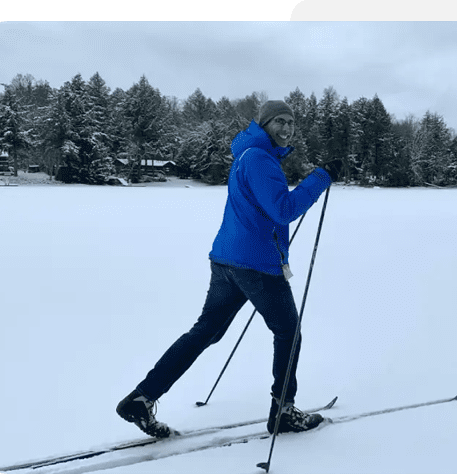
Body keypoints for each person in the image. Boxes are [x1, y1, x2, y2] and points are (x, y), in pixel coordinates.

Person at [116, 100, 341, 438]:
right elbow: (283, 210)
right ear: (264, 125)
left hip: (228, 260)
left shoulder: (247, 156)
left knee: (206, 331)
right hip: (257, 265)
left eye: (291, 122)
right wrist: (321, 177)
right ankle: (283, 410)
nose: (287, 128)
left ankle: (142, 397)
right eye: (279, 121)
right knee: (288, 333)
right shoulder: (260, 160)